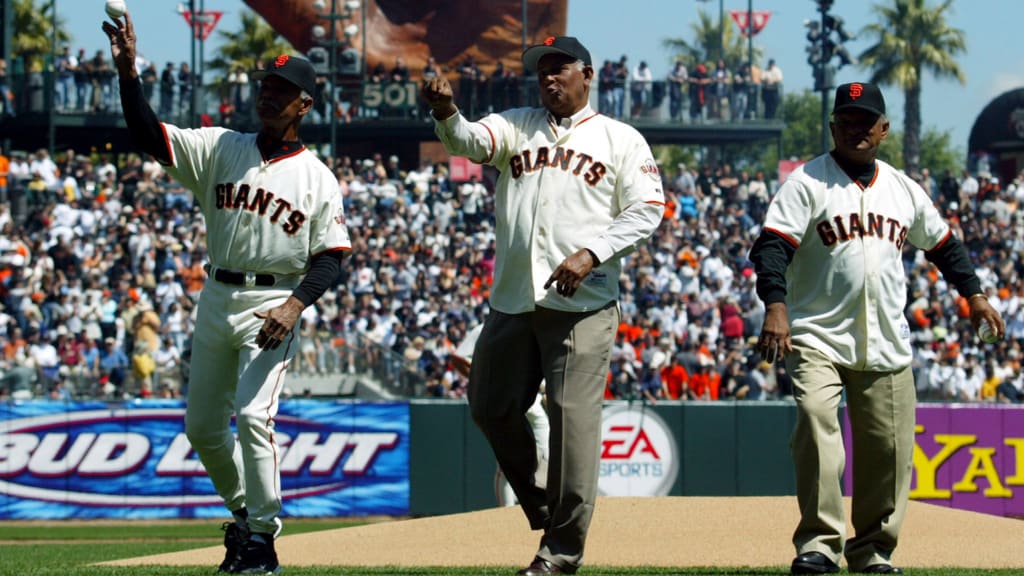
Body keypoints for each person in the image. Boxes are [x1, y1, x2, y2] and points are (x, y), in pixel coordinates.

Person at [103, 12, 351, 575]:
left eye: (283, 91)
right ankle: (245, 516)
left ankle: (263, 538)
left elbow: (333, 256)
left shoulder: (317, 177)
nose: (270, 96)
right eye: (267, 86)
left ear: (305, 105)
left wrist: (295, 306)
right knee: (203, 430)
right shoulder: (220, 147)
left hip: (275, 302)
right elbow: (148, 135)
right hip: (216, 295)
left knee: (253, 415)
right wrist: (128, 74)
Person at [422, 35, 664, 575]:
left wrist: (593, 252)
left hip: (583, 304)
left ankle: (562, 551)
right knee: (488, 406)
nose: (549, 78)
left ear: (589, 74)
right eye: (542, 70)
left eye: (560, 68)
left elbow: (648, 209)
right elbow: (468, 141)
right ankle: (542, 505)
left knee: (571, 423)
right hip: (513, 298)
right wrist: (446, 112)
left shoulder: (621, 139)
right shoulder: (516, 124)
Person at [749, 82, 1004, 575]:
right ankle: (820, 546)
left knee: (889, 451)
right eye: (847, 120)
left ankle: (872, 552)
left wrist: (973, 295)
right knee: (817, 421)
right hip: (816, 334)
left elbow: (945, 246)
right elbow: (772, 248)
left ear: (884, 130)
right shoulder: (806, 183)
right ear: (832, 127)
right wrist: (775, 307)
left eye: (866, 121)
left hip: (885, 339)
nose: (856, 129)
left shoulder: (903, 188)